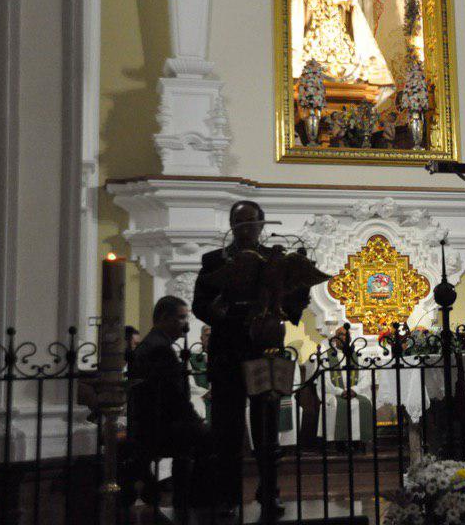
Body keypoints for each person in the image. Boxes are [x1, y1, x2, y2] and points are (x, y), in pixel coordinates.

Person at [193, 200, 329, 518]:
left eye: (250, 221)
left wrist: (288, 302)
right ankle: (227, 495)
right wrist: (223, 310)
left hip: (265, 348)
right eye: (237, 222)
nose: (244, 228)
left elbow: (297, 301)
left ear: (262, 224)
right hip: (227, 349)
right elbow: (200, 303)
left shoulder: (274, 258)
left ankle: (269, 494)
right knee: (227, 429)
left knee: (267, 428)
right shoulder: (213, 260)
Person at [125, 296, 211, 518]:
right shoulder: (159, 348)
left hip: (150, 421)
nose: (186, 324)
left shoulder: (152, 344)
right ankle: (193, 503)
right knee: (210, 441)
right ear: (164, 318)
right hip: (161, 425)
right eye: (181, 318)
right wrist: (196, 422)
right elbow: (175, 397)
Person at [317, 325, 374, 449]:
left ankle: (357, 441)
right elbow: (324, 379)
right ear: (335, 339)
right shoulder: (326, 356)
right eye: (341, 335)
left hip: (355, 393)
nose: (344, 338)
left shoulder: (359, 356)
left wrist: (355, 390)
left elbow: (366, 377)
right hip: (333, 393)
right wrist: (339, 391)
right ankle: (339, 442)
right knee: (336, 404)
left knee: (363, 403)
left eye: (346, 335)